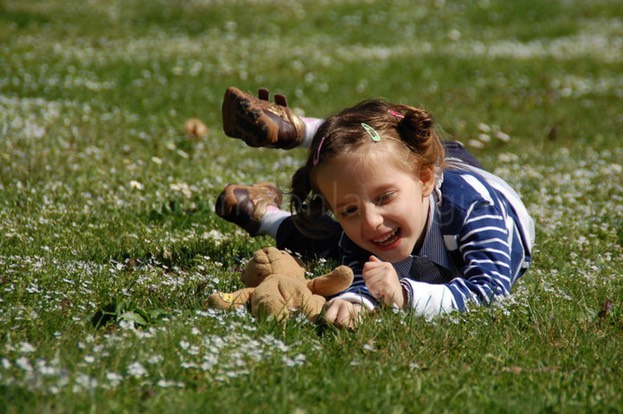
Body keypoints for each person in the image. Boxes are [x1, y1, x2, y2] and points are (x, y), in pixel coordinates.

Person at [216, 87, 535, 328]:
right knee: (333, 242)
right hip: (399, 179)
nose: (371, 221)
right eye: (348, 210)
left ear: (425, 181)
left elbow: (491, 289)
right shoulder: (372, 220)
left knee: (396, 136)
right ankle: (263, 213)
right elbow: (356, 277)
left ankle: (305, 131)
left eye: (384, 198)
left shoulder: (474, 210)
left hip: (455, 171)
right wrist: (356, 299)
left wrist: (403, 296)